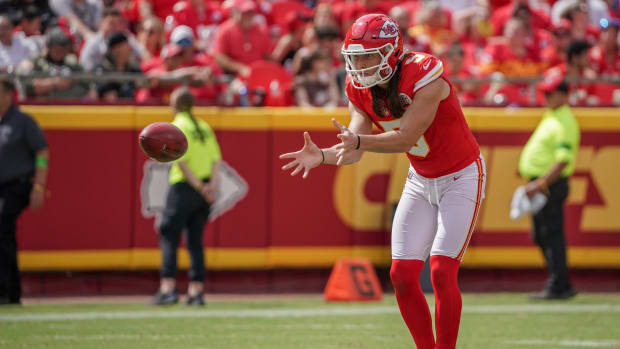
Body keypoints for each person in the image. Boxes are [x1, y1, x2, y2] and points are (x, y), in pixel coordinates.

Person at [280, 14, 485, 349]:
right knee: (401, 276)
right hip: (421, 178)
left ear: (392, 52)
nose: (360, 65)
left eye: (368, 56)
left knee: (441, 271)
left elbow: (404, 139)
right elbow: (354, 146)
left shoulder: (425, 74)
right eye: (355, 57)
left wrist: (356, 144)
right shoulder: (358, 89)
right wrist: (323, 155)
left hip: (461, 176)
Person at [152, 87, 221, 306]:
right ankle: (196, 290)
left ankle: (168, 287)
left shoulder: (178, 126)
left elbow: (181, 162)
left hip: (184, 188)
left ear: (175, 104)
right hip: (204, 189)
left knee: (169, 234)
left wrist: (200, 187)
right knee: (195, 241)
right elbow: (216, 161)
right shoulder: (204, 127)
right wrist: (210, 188)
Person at [518, 75, 580, 300]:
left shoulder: (565, 121)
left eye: (550, 93)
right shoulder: (553, 116)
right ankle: (559, 282)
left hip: (549, 186)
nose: (546, 97)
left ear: (564, 95)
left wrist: (541, 183)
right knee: (541, 234)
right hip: (542, 185)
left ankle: (559, 285)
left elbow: (563, 160)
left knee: (551, 234)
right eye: (545, 93)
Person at [0, 78, 48, 305]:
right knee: (4, 235)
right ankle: (11, 292)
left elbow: (42, 153)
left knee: (3, 226)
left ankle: (6, 291)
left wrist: (38, 185)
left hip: (15, 185)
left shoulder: (22, 121)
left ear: (9, 94)